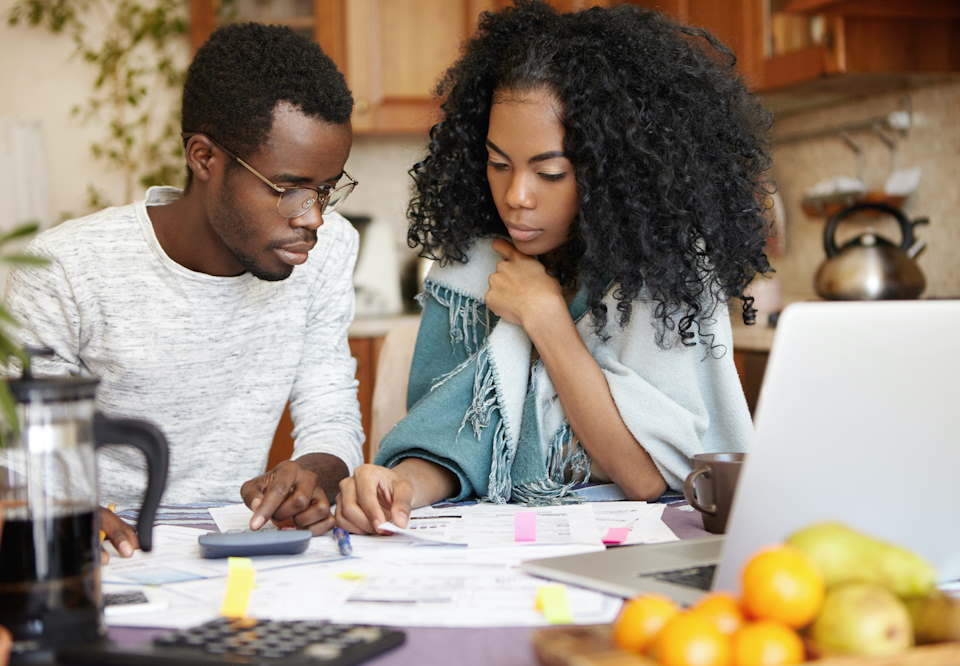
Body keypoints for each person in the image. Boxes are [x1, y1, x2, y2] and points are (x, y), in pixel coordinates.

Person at [334, 0, 772, 534]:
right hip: (510, 542)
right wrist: (401, 483)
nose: (516, 196)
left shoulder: (666, 267)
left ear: (610, 170)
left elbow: (640, 477)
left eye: (550, 173)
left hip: (649, 544)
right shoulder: (474, 267)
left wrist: (545, 317)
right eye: (499, 164)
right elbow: (454, 440)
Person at [4, 23, 364, 555]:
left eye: (327, 190)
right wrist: (66, 517)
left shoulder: (329, 252)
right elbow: (15, 458)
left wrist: (310, 475)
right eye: (289, 191)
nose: (314, 218)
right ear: (203, 158)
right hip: (99, 560)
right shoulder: (64, 270)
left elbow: (331, 409)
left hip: (241, 553)